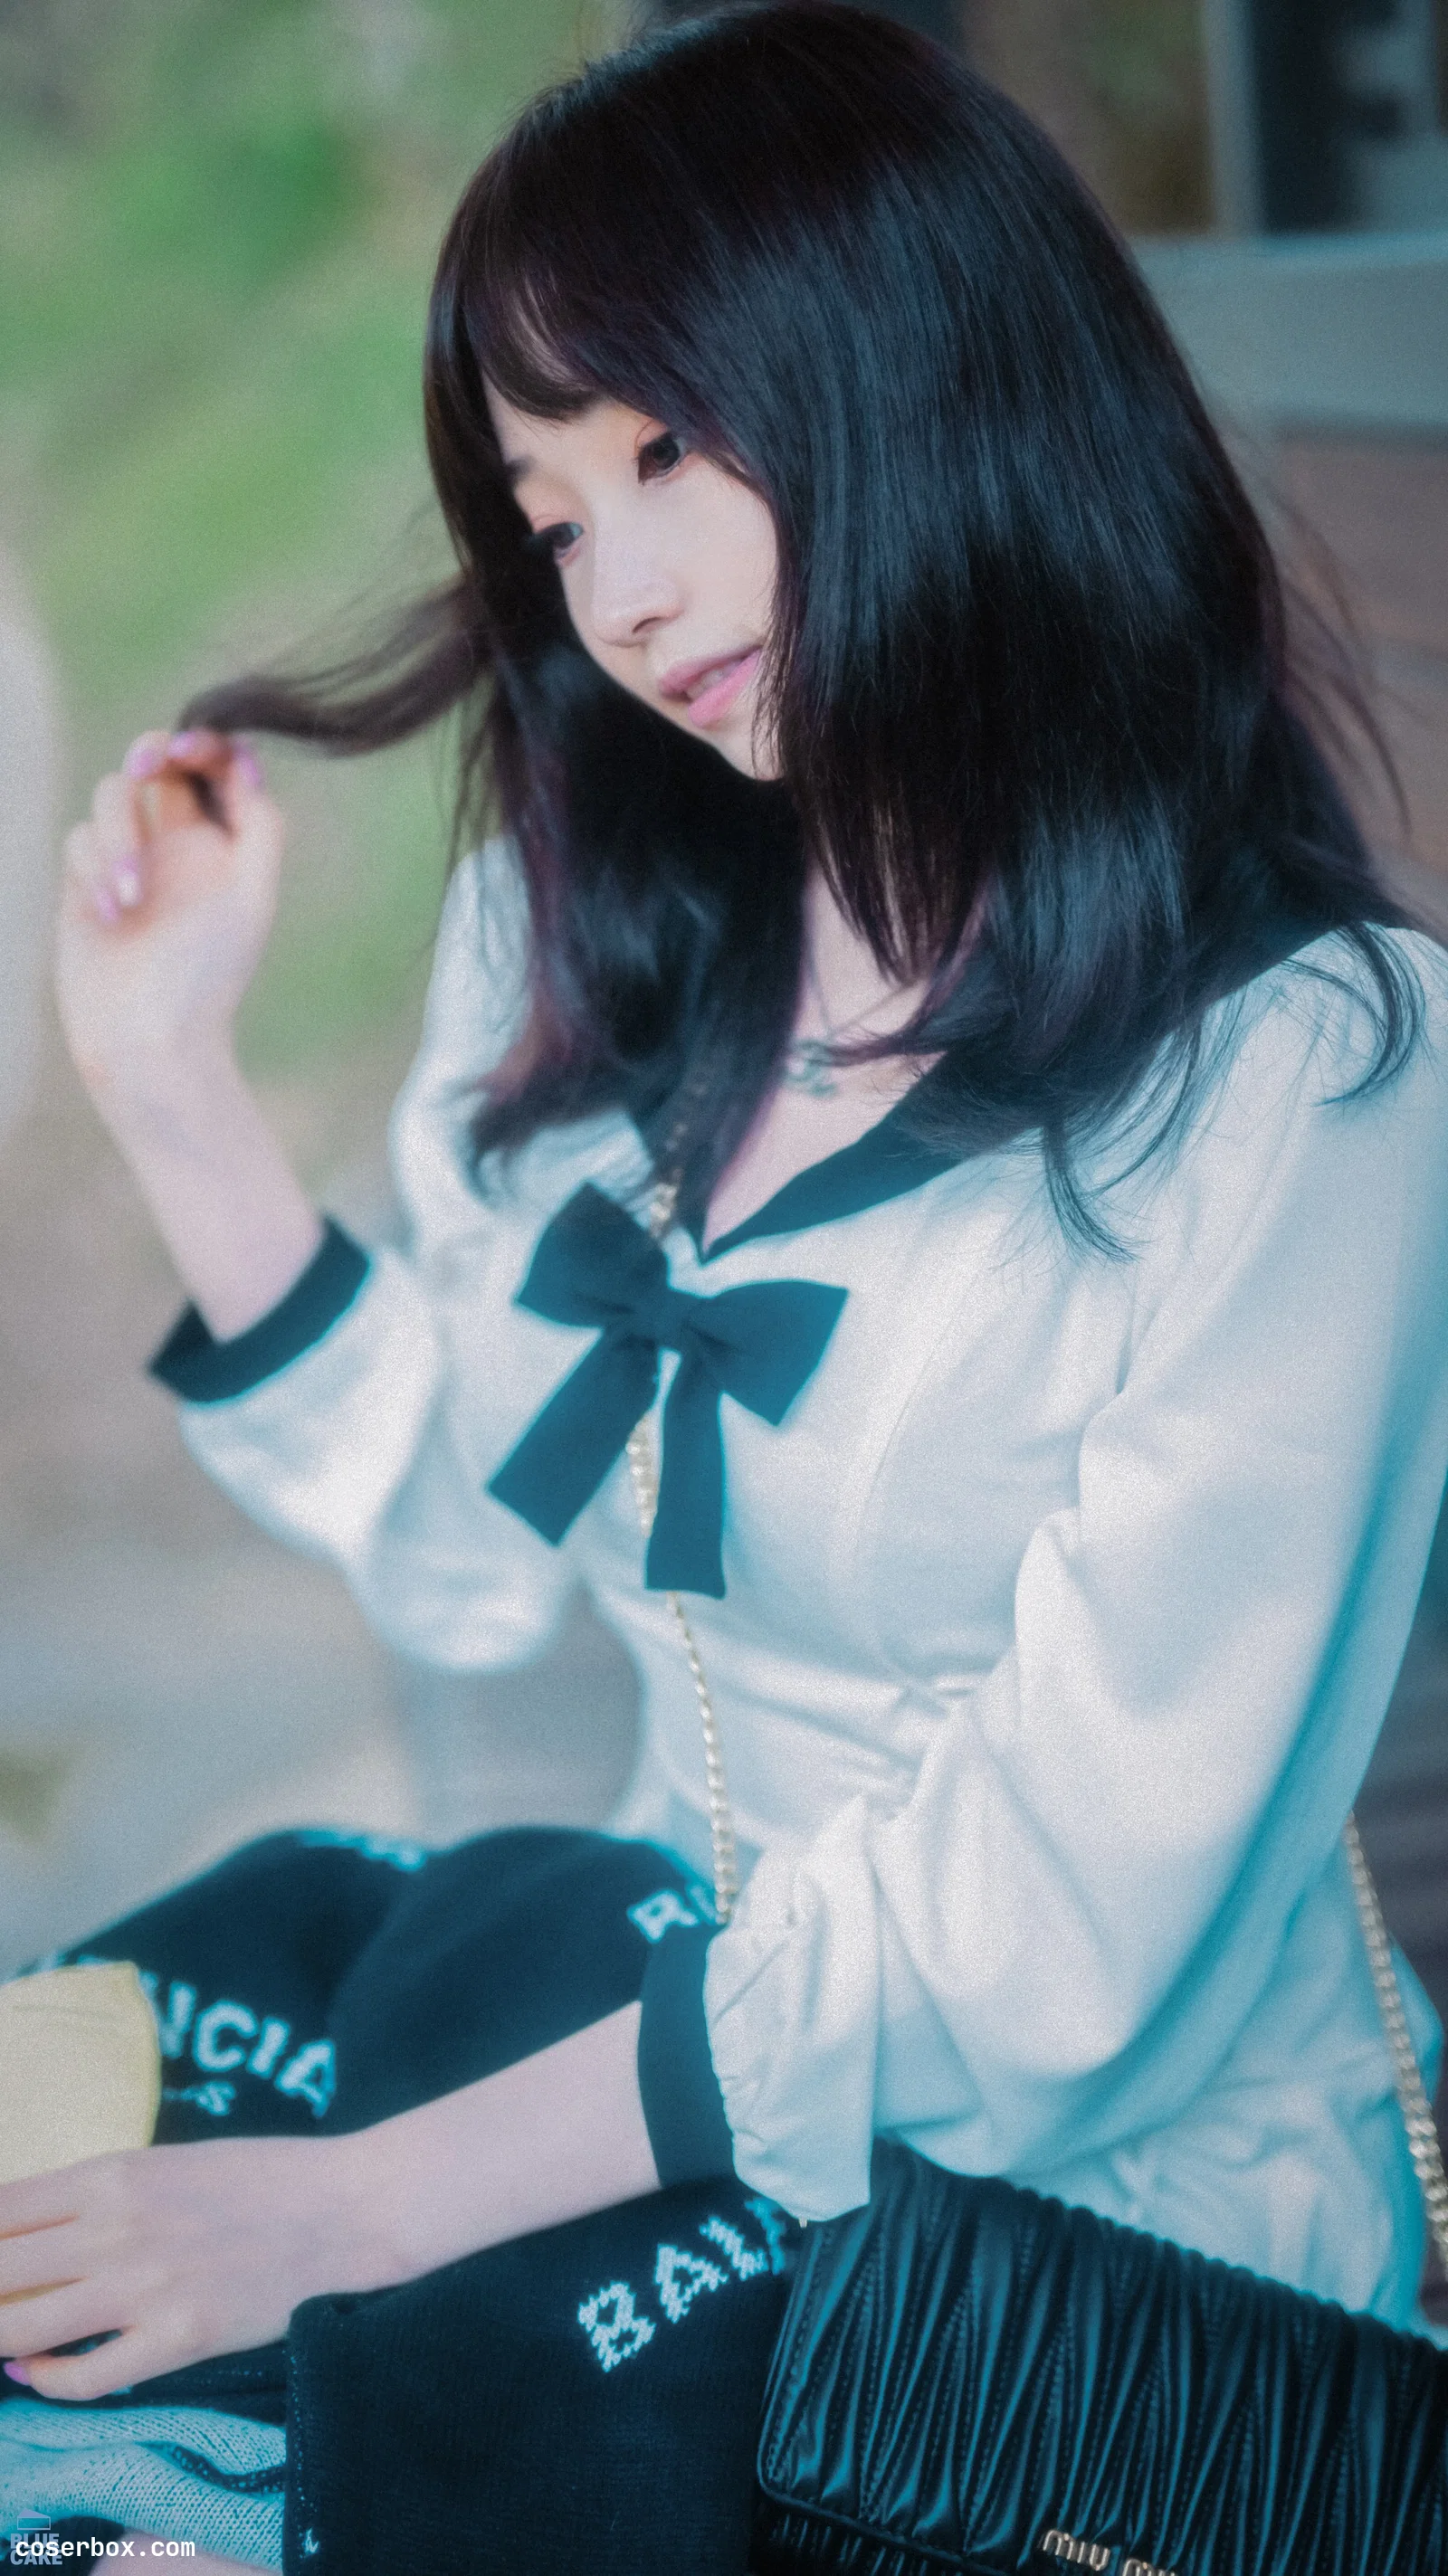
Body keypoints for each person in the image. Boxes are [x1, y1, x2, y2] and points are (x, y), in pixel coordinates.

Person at [8, 3, 1448, 2563]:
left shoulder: (1307, 1076)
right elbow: (480, 1566)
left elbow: (1049, 1944)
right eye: (551, 516)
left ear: (928, 357)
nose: (624, 594)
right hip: (616, 2071)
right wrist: (173, 1089)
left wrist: (357, 2208)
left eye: (666, 449)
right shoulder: (595, 928)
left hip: (1050, 2278)